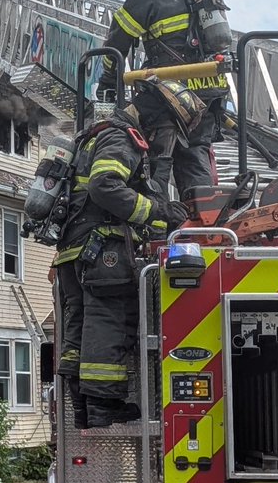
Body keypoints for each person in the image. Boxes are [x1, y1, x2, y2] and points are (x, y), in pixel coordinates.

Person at [53, 76, 202, 428]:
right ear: (154, 117)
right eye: (168, 131)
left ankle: (83, 408)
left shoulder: (95, 134)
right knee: (110, 320)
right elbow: (105, 187)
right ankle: (105, 405)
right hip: (102, 250)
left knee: (78, 331)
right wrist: (157, 212)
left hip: (73, 253)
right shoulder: (123, 137)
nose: (165, 141)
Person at [97, 0, 233, 202]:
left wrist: (108, 83)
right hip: (211, 87)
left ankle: (155, 216)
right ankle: (203, 216)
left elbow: (116, 46)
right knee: (195, 151)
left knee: (142, 143)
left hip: (170, 92)